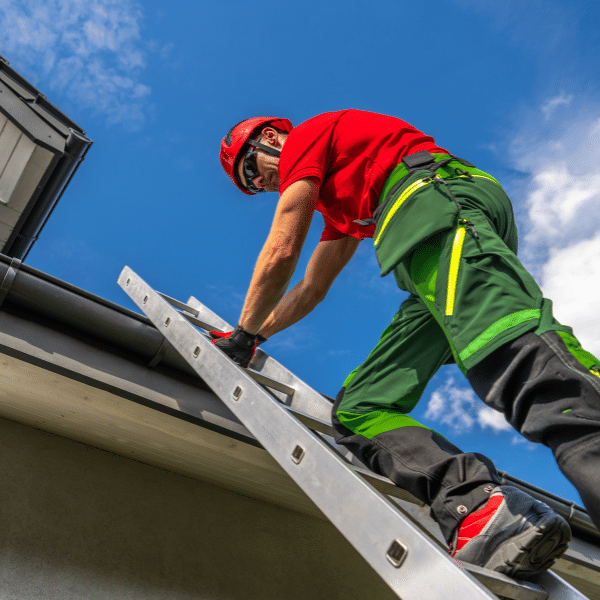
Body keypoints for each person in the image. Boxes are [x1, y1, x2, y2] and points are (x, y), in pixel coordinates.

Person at [216, 109, 600, 578]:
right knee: (359, 408)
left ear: (270, 138)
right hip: (429, 228)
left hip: (435, 202)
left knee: (507, 348)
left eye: (252, 171)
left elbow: (282, 249)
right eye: (252, 186)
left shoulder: (307, 139)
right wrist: (254, 335)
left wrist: (241, 332)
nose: (263, 185)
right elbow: (312, 288)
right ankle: (478, 507)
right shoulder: (343, 207)